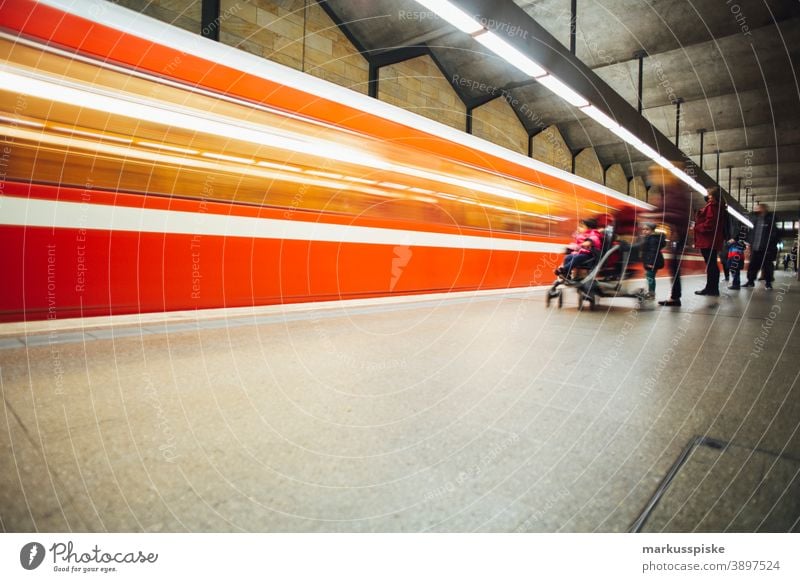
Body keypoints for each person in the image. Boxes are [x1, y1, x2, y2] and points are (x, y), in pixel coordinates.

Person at [645, 163, 693, 307]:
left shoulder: (674, 191)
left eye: (655, 175)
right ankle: (675, 297)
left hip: (680, 234)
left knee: (675, 267)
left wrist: (655, 214)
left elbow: (676, 214)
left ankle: (675, 298)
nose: (652, 179)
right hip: (677, 233)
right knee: (674, 267)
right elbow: (664, 209)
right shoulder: (669, 191)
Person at [693, 188, 726, 296]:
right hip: (711, 240)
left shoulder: (712, 207)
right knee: (712, 265)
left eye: (709, 194)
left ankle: (711, 289)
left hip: (708, 240)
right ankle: (711, 288)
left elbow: (709, 225)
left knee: (711, 265)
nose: (707, 195)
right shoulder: (717, 207)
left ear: (713, 196)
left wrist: (697, 227)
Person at [745, 203, 778, 289]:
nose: (756, 209)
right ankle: (750, 281)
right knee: (753, 265)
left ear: (764, 209)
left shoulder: (770, 220)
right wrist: (749, 245)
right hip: (755, 248)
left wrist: (771, 246)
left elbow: (775, 234)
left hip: (766, 249)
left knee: (767, 266)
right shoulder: (755, 219)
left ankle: (768, 283)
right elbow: (752, 234)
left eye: (759, 208)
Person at [639, 222, 665, 299]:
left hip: (653, 261)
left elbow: (653, 251)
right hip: (652, 261)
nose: (644, 231)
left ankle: (651, 294)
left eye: (647, 229)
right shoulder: (650, 238)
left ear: (652, 230)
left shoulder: (653, 239)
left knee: (650, 277)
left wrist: (651, 263)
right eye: (643, 229)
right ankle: (651, 292)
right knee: (649, 277)